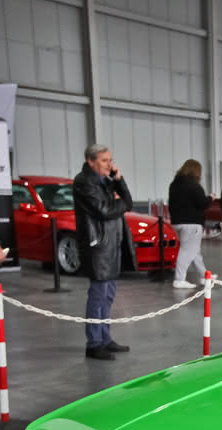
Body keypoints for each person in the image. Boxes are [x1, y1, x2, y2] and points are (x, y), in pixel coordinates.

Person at [72, 143, 134, 360]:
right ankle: (94, 343)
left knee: (108, 296)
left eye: (110, 160)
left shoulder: (105, 181)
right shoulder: (84, 182)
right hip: (98, 247)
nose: (110, 165)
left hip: (111, 245)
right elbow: (105, 211)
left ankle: (105, 338)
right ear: (91, 161)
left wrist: (119, 181)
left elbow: (128, 201)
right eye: (105, 160)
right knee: (97, 296)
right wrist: (123, 204)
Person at [167, 159, 210, 289]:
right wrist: (211, 198)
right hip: (192, 223)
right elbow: (203, 203)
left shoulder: (174, 184)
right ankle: (179, 279)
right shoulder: (194, 186)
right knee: (187, 251)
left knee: (194, 251)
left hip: (177, 222)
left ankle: (204, 275)